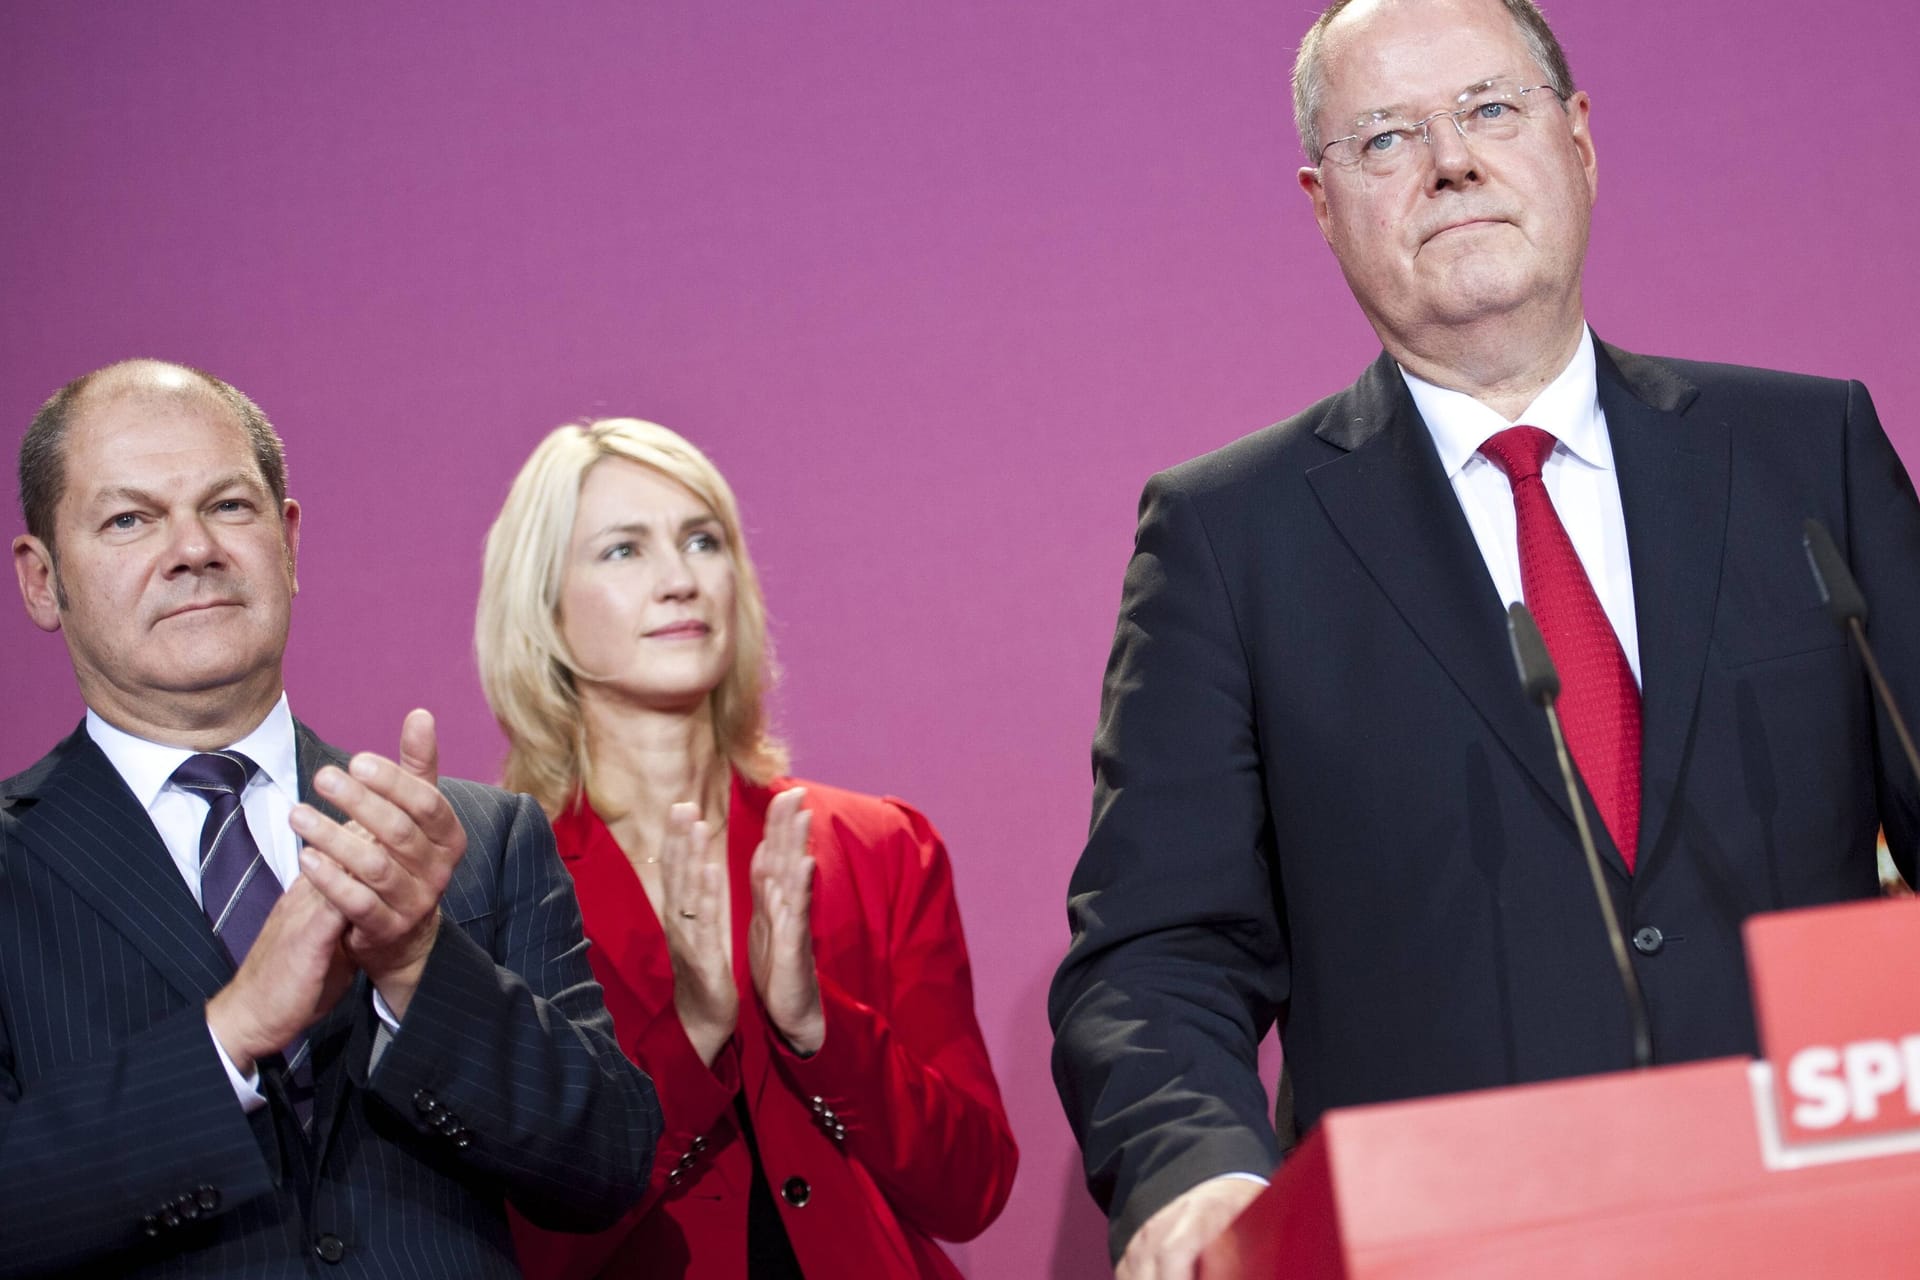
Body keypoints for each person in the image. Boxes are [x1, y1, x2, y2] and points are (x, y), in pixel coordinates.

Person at [1047, 0, 1920, 1274]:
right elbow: (1157, 944)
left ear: (1579, 142)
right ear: (1321, 203)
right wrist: (1201, 1174)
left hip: (1825, 1219)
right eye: (1387, 138)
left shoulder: (1807, 455)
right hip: (1453, 1240)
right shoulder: (1230, 536)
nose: (1452, 160)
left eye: (1491, 110)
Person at [1, 359, 660, 1278]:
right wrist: (227, 1035)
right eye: (129, 520)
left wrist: (418, 966)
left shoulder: (471, 840)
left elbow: (609, 1165)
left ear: (290, 542)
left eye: (229, 506)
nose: (193, 548)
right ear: (41, 581)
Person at [477, 417, 1017, 1279]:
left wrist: (816, 1029)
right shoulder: (491, 887)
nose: (680, 580)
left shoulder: (876, 847)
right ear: (544, 610)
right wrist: (692, 1035)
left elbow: (973, 1188)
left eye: (703, 541)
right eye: (624, 551)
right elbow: (522, 1246)